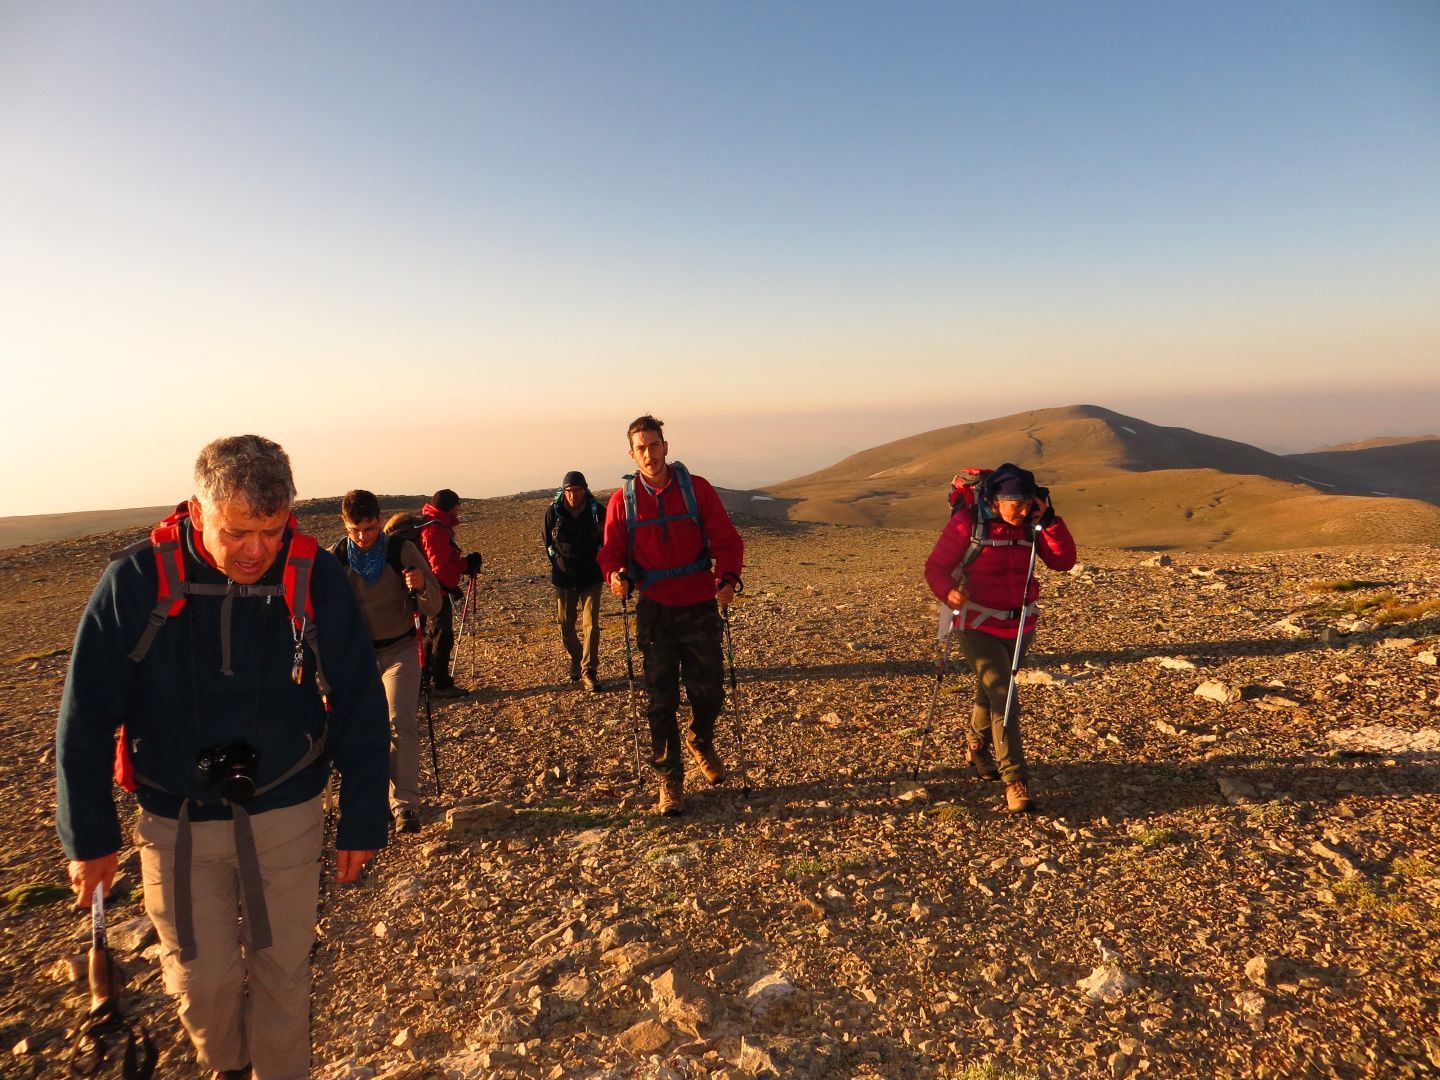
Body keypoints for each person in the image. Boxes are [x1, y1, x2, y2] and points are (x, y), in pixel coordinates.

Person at [55, 434, 390, 1080]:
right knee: (199, 981)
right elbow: (85, 716)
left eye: (272, 531)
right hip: (174, 820)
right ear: (195, 510)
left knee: (284, 971)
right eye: (236, 532)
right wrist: (89, 838)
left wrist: (363, 817)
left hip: (286, 808)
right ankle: (228, 1067)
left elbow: (358, 699)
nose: (256, 551)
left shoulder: (313, 574)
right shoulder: (136, 581)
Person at [598, 415, 744, 816]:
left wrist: (728, 578)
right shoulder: (622, 501)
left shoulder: (697, 490)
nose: (649, 454)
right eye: (641, 448)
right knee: (660, 700)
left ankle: (700, 739)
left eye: (654, 445)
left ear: (665, 447)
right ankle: (670, 779)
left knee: (708, 689)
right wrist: (614, 576)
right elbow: (610, 552)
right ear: (632, 454)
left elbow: (727, 541)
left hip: (698, 603)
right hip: (655, 608)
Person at [923, 462, 1076, 813]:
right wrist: (948, 592)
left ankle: (976, 746)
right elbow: (936, 567)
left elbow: (1063, 562)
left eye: (1027, 504)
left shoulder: (1035, 524)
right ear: (995, 501)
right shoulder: (968, 523)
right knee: (1005, 698)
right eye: (1015, 505)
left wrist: (1050, 521)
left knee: (991, 689)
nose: (1021, 512)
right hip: (975, 623)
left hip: (1020, 625)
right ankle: (1014, 780)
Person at [333, 489, 443, 834]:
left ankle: (405, 805)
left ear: (380, 520)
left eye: (368, 528)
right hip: (360, 657)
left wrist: (421, 586)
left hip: (401, 649)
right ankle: (372, 801)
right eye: (354, 530)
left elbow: (435, 605)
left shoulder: (401, 550)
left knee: (399, 722)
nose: (362, 537)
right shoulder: (337, 557)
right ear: (344, 525)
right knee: (366, 728)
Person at [416, 488, 482, 699]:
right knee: (442, 636)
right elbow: (440, 568)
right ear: (450, 507)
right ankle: (441, 684)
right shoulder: (434, 529)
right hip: (435, 592)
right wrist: (462, 569)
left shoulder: (435, 524)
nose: (459, 508)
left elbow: (443, 562)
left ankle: (423, 680)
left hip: (432, 589)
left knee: (433, 635)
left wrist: (464, 565)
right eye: (457, 505)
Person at [544, 470, 606, 691]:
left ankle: (589, 670)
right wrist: (559, 566)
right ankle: (577, 657)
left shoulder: (598, 511)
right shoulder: (554, 512)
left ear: (585, 489)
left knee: (591, 625)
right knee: (565, 624)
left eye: (576, 490)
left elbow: (607, 541)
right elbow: (548, 544)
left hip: (591, 575)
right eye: (568, 491)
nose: (572, 495)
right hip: (564, 577)